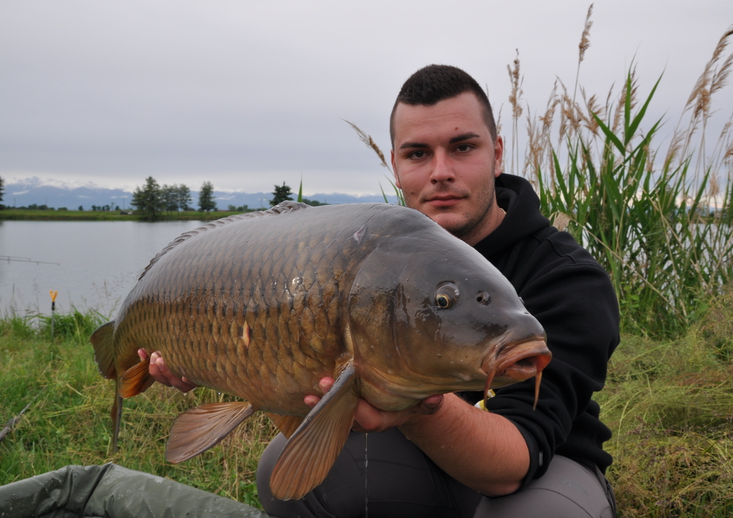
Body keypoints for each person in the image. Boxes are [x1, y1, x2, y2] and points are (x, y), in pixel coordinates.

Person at [147, 64, 620, 518]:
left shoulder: (569, 277)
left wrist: (419, 411)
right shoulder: (371, 256)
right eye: (418, 154)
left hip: (540, 474)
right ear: (395, 165)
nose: (440, 171)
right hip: (419, 459)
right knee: (281, 470)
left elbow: (516, 461)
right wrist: (213, 362)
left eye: (462, 148)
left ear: (497, 154)